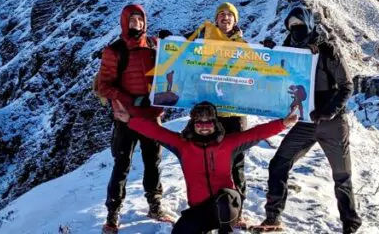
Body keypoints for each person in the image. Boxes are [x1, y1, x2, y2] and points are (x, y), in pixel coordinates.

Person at [112, 99, 298, 234]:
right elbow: (157, 132)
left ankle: (226, 232)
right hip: (200, 209)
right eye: (199, 123)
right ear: (192, 124)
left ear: (215, 123)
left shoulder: (228, 143)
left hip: (228, 206)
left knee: (225, 198)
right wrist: (129, 120)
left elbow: (255, 133)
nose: (203, 126)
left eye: (208, 122)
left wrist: (283, 124)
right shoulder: (183, 146)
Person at [256, 7, 362, 233]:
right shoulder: (289, 50)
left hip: (332, 123)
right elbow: (277, 77)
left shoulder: (327, 49)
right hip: (305, 122)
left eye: (300, 25)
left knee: (342, 175)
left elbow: (347, 86)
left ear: (309, 24)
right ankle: (273, 219)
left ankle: (350, 225)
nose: (296, 29)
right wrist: (270, 55)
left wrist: (329, 111)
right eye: (291, 26)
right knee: (278, 164)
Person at [160, 2, 250, 226]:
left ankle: (236, 209)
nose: (225, 18)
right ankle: (208, 205)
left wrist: (267, 51)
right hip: (210, 115)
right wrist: (169, 42)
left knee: (236, 161)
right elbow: (184, 50)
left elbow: (257, 70)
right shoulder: (203, 39)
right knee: (206, 159)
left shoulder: (243, 45)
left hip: (235, 112)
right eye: (221, 15)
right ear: (216, 19)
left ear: (235, 20)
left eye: (230, 15)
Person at [95, 4, 174, 233]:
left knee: (153, 161)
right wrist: (129, 101)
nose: (136, 24)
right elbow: (104, 86)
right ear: (124, 21)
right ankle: (113, 212)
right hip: (126, 117)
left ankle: (154, 203)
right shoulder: (114, 51)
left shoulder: (154, 45)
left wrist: (173, 46)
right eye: (132, 20)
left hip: (150, 116)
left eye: (140, 20)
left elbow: (173, 68)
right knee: (122, 164)